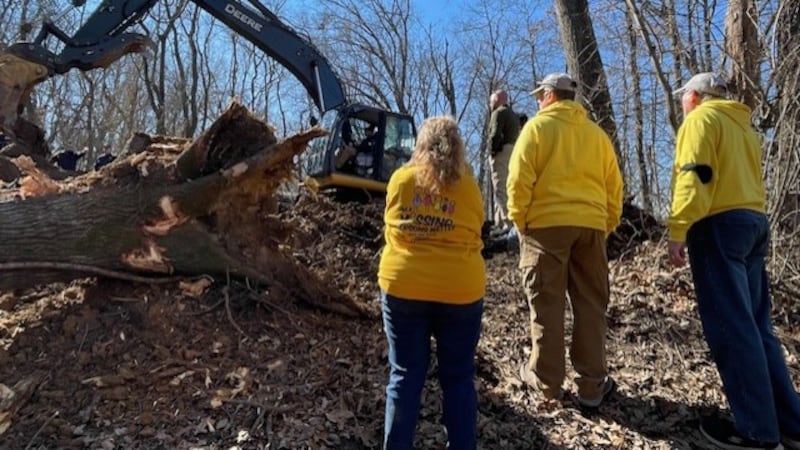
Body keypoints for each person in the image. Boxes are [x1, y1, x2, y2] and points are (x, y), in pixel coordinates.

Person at [668, 72, 800, 450]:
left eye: (684, 96)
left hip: (717, 226)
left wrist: (678, 230)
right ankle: (791, 422)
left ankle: (757, 431)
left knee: (731, 328)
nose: (682, 103)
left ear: (696, 97)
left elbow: (696, 178)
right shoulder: (743, 127)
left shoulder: (701, 120)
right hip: (754, 222)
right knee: (758, 327)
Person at [507, 73, 623, 408]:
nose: (537, 101)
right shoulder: (597, 136)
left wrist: (520, 221)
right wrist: (605, 225)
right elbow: (614, 188)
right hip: (590, 226)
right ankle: (591, 387)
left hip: (545, 228)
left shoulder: (537, 129)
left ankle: (547, 383)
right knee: (590, 306)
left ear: (548, 95)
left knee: (547, 304)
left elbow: (518, 181)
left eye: (539, 95)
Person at [378, 116, 485, 450]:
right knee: (458, 378)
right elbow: (478, 227)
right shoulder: (469, 185)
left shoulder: (400, 179)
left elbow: (390, 225)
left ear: (420, 144)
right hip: (460, 291)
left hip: (404, 287)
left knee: (405, 375)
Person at [487, 89, 521, 234]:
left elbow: (495, 134)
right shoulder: (513, 115)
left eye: (491, 101)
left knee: (499, 187)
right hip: (513, 152)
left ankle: (508, 225)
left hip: (501, 152)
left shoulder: (498, 113)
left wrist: (492, 151)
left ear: (496, 100)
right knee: (507, 187)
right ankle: (499, 222)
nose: (490, 104)